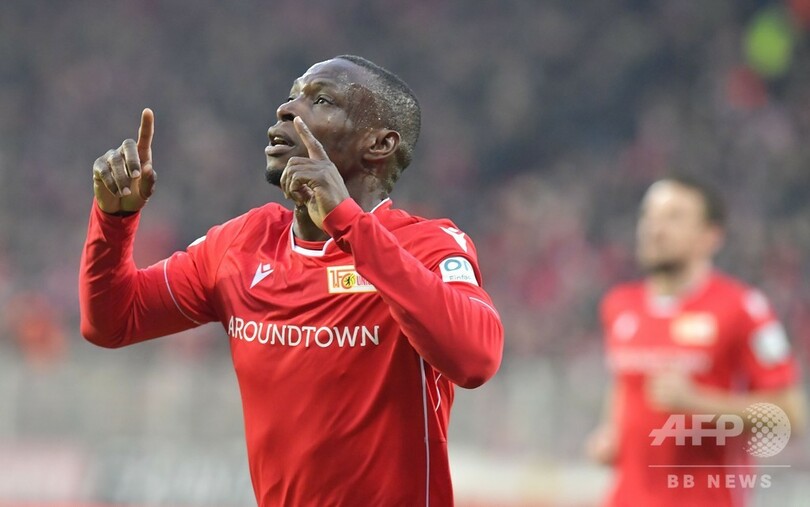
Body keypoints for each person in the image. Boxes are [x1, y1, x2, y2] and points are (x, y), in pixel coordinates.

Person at [79, 55, 504, 506]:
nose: (286, 109)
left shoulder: (426, 246)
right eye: (291, 96)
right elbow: (112, 321)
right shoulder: (242, 244)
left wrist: (348, 224)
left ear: (379, 144)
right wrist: (114, 219)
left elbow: (475, 360)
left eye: (321, 100)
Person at [586, 176, 806, 507]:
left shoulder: (743, 308)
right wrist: (611, 434)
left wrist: (697, 402)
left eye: (674, 217)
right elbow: (624, 384)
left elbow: (790, 416)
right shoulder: (619, 304)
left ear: (710, 237)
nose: (654, 229)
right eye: (649, 215)